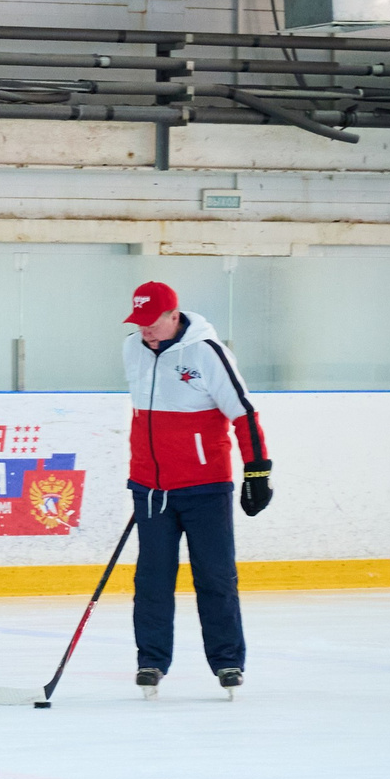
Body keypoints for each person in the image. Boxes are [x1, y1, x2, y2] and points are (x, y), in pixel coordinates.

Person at [121, 281, 272, 698]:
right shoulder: (132, 348)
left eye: (151, 323)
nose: (144, 331)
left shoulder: (207, 352)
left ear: (174, 315)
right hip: (151, 489)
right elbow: (142, 417)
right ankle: (151, 660)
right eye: (138, 323)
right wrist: (141, 473)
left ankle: (227, 662)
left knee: (216, 577)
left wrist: (257, 471)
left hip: (205, 487)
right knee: (151, 580)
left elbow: (243, 412)